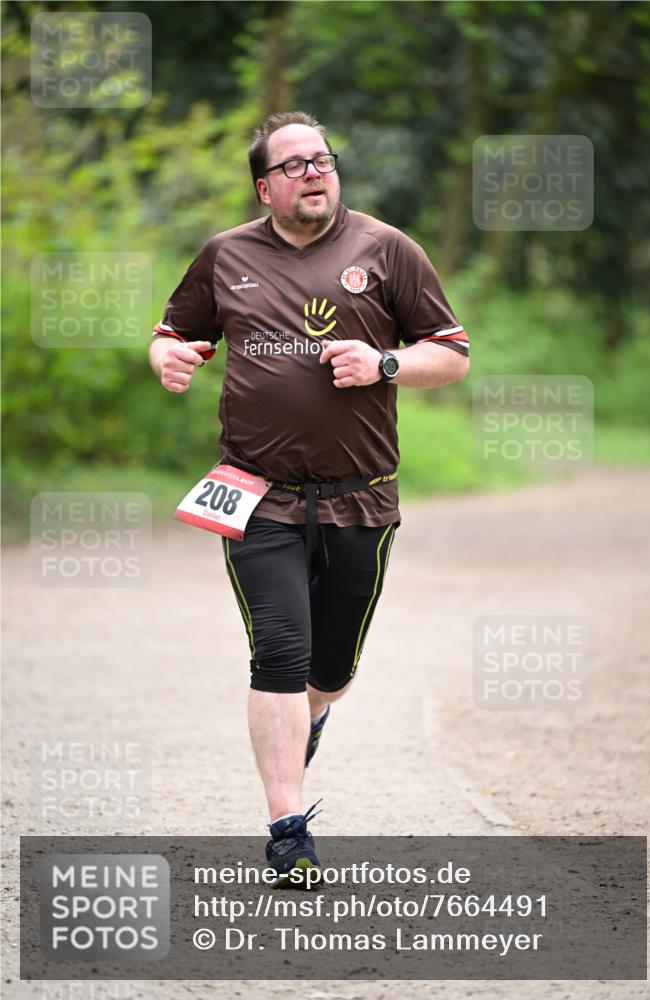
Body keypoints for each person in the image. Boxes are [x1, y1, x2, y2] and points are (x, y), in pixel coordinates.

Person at [149, 111, 469, 886]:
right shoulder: (225, 254)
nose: (312, 172)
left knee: (331, 669)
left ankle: (312, 719)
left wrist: (385, 365)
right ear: (265, 186)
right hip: (256, 495)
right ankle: (287, 831)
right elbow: (170, 330)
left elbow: (451, 357)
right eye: (293, 164)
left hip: (362, 497)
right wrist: (170, 357)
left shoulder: (387, 249)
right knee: (281, 653)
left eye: (321, 160)